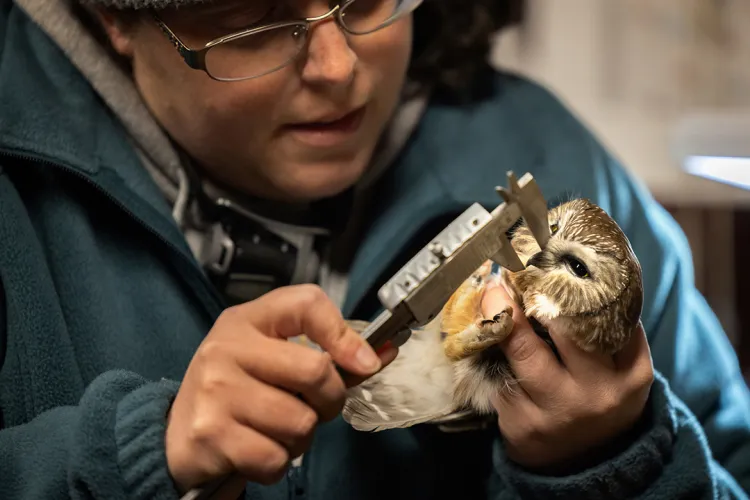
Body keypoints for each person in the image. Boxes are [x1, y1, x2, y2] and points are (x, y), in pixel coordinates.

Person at [0, 0, 748, 497]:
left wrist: (613, 460)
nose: (338, 69)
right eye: (254, 19)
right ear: (114, 18)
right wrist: (119, 459)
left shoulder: (560, 164)